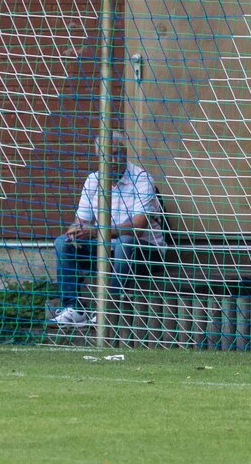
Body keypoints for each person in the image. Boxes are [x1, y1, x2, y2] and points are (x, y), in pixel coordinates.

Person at [52, 132, 167, 326]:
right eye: (107, 155)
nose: (113, 160)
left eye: (117, 154)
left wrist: (97, 231)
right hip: (107, 253)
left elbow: (138, 227)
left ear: (125, 153)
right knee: (62, 243)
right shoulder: (93, 180)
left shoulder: (141, 178)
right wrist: (75, 232)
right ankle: (74, 309)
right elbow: (81, 222)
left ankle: (108, 308)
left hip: (146, 253)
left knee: (126, 241)